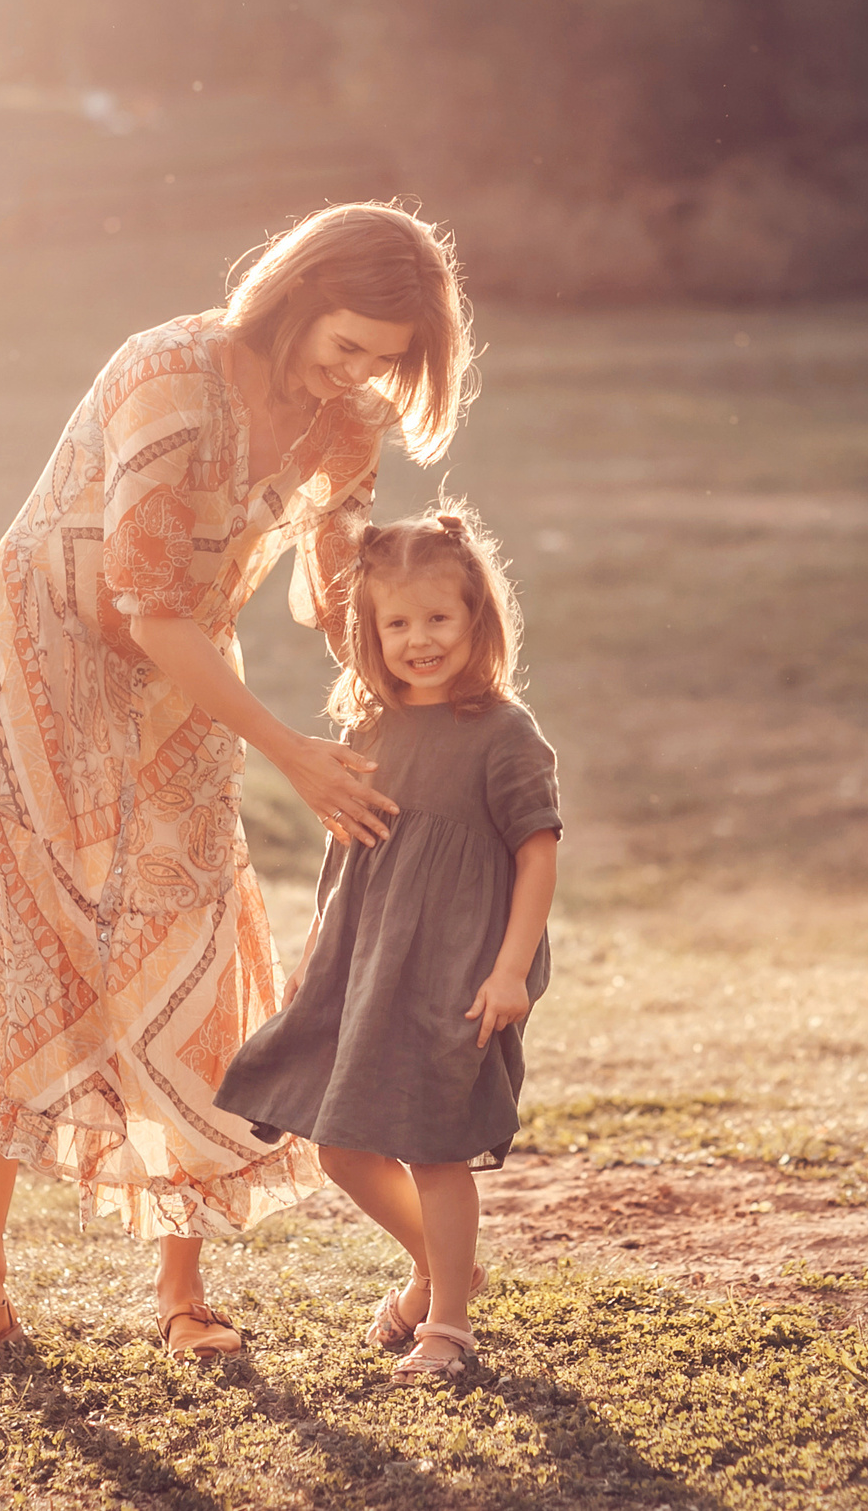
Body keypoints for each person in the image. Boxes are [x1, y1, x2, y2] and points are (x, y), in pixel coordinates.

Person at [0, 202, 476, 1368]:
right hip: (46, 673)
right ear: (295, 293)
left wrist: (407, 670)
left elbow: (329, 589)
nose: (359, 373)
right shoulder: (172, 374)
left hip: (179, 687)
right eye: (348, 344)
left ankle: (183, 1297)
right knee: (15, 952)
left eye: (383, 359)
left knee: (195, 966)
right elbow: (150, 607)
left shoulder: (345, 423)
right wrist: (291, 755)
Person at [213, 503, 561, 1386]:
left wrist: (512, 968)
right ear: (369, 629)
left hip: (456, 969)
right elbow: (350, 860)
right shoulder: (368, 725)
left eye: (438, 617)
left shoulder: (504, 735)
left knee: (436, 1145)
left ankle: (446, 1322)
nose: (419, 638)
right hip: (363, 967)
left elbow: (538, 852)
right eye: (396, 621)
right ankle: (448, 1266)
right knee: (343, 1147)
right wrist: (315, 958)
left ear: (477, 618)